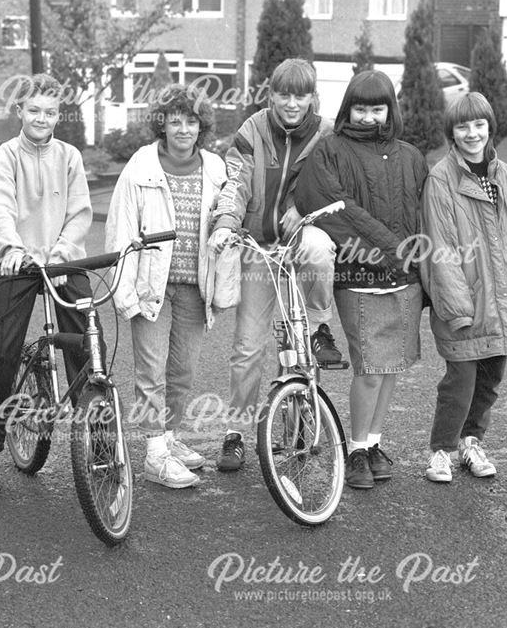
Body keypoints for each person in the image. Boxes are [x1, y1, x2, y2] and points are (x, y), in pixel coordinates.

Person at [294, 69, 428, 490]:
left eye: (378, 108)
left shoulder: (411, 155)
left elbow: (427, 215)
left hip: (405, 279)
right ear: (348, 108)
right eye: (361, 108)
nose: (369, 117)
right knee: (369, 369)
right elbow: (332, 208)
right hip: (359, 277)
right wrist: (391, 249)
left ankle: (373, 443)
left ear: (391, 109)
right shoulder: (329, 151)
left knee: (391, 369)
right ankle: (353, 451)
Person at [207, 58, 342, 472]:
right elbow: (236, 182)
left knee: (299, 339)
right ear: (272, 95)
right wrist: (226, 224)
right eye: (284, 93)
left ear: (312, 97)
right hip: (259, 250)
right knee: (248, 346)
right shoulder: (253, 130)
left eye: (300, 95)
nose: (291, 103)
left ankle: (319, 328)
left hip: (300, 246)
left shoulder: (326, 133)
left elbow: (336, 186)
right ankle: (235, 433)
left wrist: (302, 207)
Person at [105, 84, 240, 488]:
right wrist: (121, 289)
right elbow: (120, 227)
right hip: (152, 287)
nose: (183, 129)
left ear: (203, 126)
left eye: (192, 121)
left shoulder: (216, 168)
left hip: (194, 288)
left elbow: (229, 213)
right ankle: (154, 455)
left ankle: (170, 437)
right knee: (151, 372)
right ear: (161, 125)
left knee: (183, 370)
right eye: (175, 121)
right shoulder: (141, 166)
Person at [0, 73, 96, 494]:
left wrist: (61, 251)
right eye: (34, 110)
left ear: (59, 115)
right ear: (20, 111)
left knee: (86, 342)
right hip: (17, 261)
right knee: (0, 353)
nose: (42, 118)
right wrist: (16, 250)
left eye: (51, 111)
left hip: (62, 259)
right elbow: (1, 208)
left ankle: (95, 440)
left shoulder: (70, 156)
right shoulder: (6, 156)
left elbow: (80, 212)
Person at [420, 92, 507, 483]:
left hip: (502, 302)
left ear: (490, 127)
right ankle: (441, 450)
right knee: (460, 383)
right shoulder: (442, 178)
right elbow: (438, 247)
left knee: (490, 381)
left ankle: (471, 442)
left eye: (478, 125)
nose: (472, 133)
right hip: (467, 305)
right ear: (451, 133)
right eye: (462, 126)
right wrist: (458, 308)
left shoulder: (504, 175)